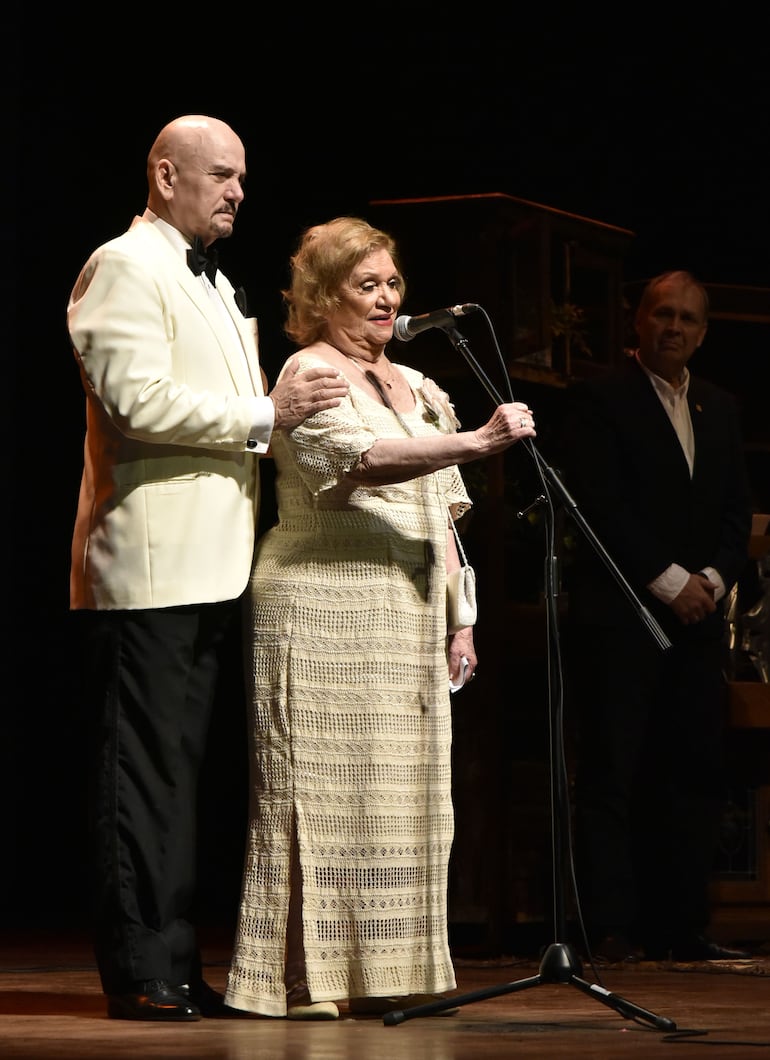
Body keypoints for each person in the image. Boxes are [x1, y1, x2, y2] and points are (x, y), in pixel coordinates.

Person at [67, 115, 350, 1022]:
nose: (237, 192)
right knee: (142, 772)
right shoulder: (124, 265)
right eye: (221, 175)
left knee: (182, 773)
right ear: (164, 174)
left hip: (212, 562)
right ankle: (142, 966)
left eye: (240, 178)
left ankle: (179, 962)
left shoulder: (217, 285)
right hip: (150, 563)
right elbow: (134, 398)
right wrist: (266, 412)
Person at [224, 216, 537, 1019]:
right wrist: (475, 441)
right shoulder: (311, 370)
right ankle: (304, 979)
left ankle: (387, 972)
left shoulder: (421, 387)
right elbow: (359, 465)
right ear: (324, 297)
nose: (385, 298)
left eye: (391, 283)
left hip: (406, 613)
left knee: (400, 800)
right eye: (366, 285)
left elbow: (444, 520)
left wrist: (461, 618)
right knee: (319, 796)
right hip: (322, 604)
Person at [559, 270, 753, 964]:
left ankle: (681, 925)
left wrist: (712, 577)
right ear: (635, 320)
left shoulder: (721, 407)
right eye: (662, 314)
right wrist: (670, 581)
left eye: (689, 320)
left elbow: (735, 512)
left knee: (694, 769)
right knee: (616, 767)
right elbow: (600, 506)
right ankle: (609, 927)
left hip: (698, 618)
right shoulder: (600, 398)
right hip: (623, 614)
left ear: (703, 332)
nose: (674, 328)